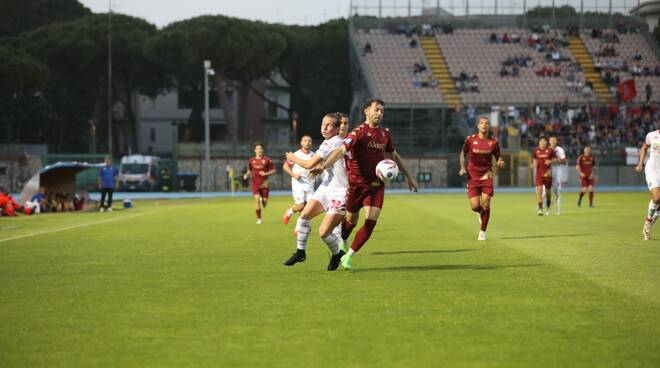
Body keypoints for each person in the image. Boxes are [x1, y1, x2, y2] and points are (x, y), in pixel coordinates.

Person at [316, 99, 419, 270]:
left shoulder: (385, 134)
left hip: (376, 186)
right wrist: (324, 165)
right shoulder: (358, 132)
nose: (379, 113)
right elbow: (341, 150)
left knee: (371, 222)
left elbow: (394, 155)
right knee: (350, 221)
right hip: (356, 185)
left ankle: (349, 256)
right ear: (367, 112)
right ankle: (343, 242)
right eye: (377, 109)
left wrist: (409, 176)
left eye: (382, 111)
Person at [282, 113, 348, 270]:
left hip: (341, 191)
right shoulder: (333, 142)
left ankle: (337, 254)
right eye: (323, 124)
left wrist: (293, 157)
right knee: (304, 215)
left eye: (329, 125)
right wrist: (321, 168)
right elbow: (329, 162)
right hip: (326, 187)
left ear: (337, 128)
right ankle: (300, 252)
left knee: (324, 232)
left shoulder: (332, 142)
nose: (324, 127)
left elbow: (309, 163)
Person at [459, 116, 505, 240]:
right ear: (478, 126)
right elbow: (463, 153)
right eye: (482, 123)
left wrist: (500, 161)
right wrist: (462, 167)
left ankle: (482, 232)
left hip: (487, 175)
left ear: (489, 126)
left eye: (486, 123)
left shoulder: (494, 142)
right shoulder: (470, 140)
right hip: (472, 176)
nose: (484, 125)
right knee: (475, 206)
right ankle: (480, 213)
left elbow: (498, 156)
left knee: (486, 203)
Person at [282, 135, 315, 225]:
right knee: (300, 205)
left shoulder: (314, 156)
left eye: (309, 141)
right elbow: (285, 166)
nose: (307, 142)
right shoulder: (295, 155)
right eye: (305, 140)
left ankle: (298, 228)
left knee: (307, 208)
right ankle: (288, 213)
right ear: (301, 143)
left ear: (311, 143)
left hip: (309, 184)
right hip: (298, 183)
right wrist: (294, 175)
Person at [243, 143, 276, 225]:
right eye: (257, 149)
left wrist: (266, 174)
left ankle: (263, 200)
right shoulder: (251, 160)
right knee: (257, 200)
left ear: (262, 150)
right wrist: (246, 175)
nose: (259, 150)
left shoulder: (267, 160)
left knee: (264, 204)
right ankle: (259, 219)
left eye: (260, 148)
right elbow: (250, 170)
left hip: (265, 184)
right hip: (255, 184)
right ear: (255, 150)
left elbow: (274, 171)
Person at [532, 137, 557, 216]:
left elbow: (555, 159)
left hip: (548, 174)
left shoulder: (550, 150)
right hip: (539, 174)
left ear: (546, 143)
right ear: (539, 143)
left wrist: (550, 161)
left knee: (548, 192)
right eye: (541, 141)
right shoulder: (536, 151)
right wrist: (534, 165)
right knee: (539, 191)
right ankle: (540, 209)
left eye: (544, 141)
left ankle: (548, 207)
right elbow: (534, 160)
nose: (542, 143)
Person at [549, 136, 568, 215]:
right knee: (545, 191)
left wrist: (557, 160)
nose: (552, 141)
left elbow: (565, 161)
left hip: (557, 171)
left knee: (557, 190)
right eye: (551, 140)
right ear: (549, 141)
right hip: (548, 171)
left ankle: (558, 209)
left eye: (554, 140)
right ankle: (548, 208)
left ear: (556, 141)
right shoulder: (546, 149)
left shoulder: (560, 150)